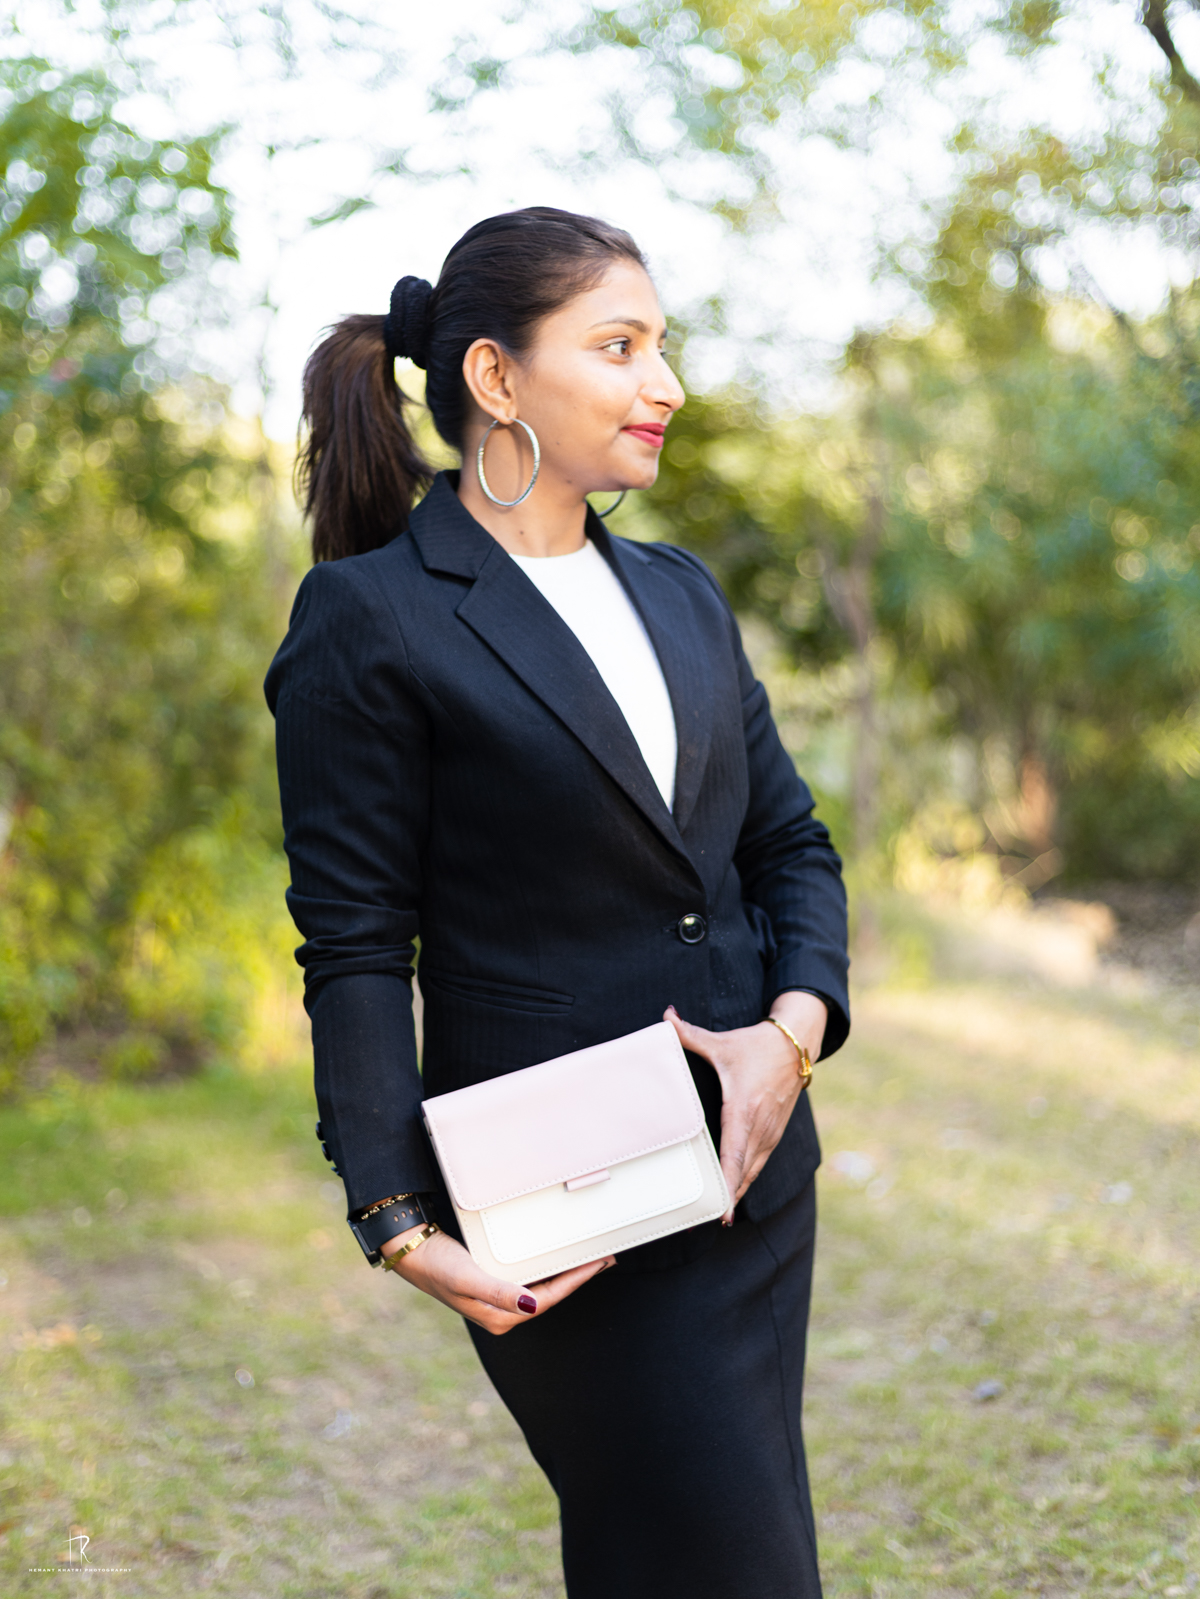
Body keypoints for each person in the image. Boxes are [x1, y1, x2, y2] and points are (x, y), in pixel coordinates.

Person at [264, 206, 849, 1599]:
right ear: (496, 377)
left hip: (759, 1187)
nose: (668, 385)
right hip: (567, 1214)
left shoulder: (682, 594)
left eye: (663, 346)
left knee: (675, 1563)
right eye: (620, 345)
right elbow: (353, 945)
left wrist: (794, 1030)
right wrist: (396, 1217)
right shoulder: (372, 618)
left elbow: (790, 846)